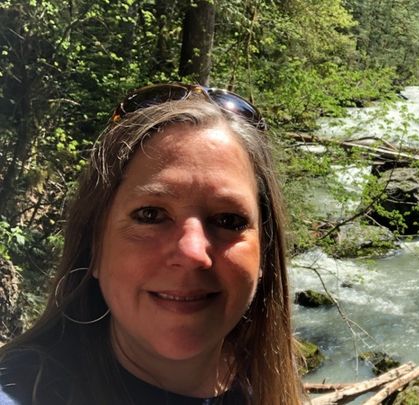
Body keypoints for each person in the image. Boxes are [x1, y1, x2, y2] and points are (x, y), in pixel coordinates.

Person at [0, 84, 303, 404]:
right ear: (95, 244)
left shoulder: (266, 387)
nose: (192, 253)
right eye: (150, 215)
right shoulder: (20, 392)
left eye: (228, 221)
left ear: (264, 253)